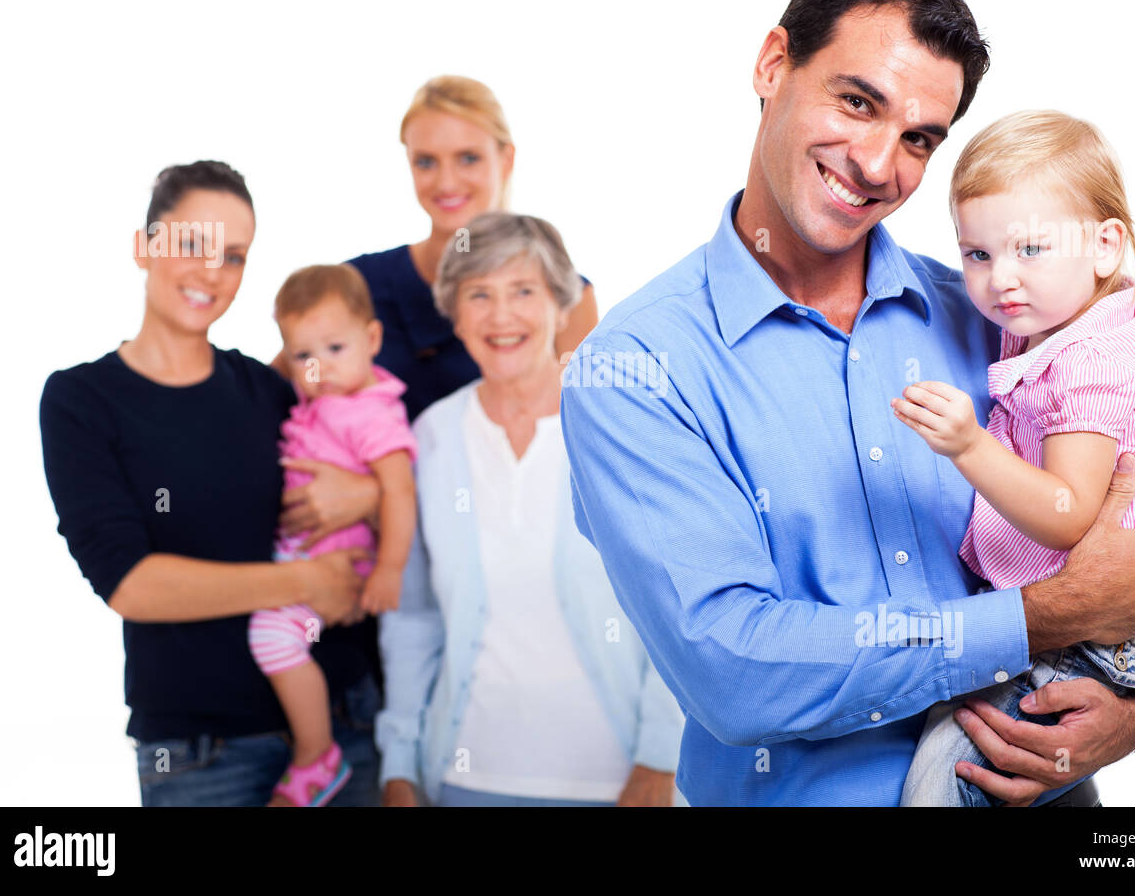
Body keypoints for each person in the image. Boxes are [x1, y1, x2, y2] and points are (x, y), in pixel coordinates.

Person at [560, 0, 1135, 806]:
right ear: (773, 65)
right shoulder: (633, 370)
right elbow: (734, 667)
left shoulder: (998, 318)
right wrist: (1044, 617)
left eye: (918, 138)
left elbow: (1133, 538)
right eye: (857, 102)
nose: (875, 163)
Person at [40, 161, 382, 806]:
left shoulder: (270, 390)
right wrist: (307, 582)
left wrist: (370, 497)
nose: (211, 272)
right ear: (144, 247)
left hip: (345, 726)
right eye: (191, 243)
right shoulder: (82, 400)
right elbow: (133, 585)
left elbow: (370, 472)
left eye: (234, 255)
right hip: (201, 755)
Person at [894, 111, 1135, 805]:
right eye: (978, 254)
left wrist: (969, 446)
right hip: (1047, 622)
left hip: (1079, 641)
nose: (1002, 280)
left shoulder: (1090, 361)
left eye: (1031, 248)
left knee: (939, 782)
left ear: (1105, 246)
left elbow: (1066, 514)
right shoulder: (1045, 325)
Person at [376, 212, 683, 807]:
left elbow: (675, 604)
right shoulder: (432, 435)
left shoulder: (619, 426)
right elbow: (414, 619)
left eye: (523, 291)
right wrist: (399, 766)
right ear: (454, 312)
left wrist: (662, 755)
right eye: (479, 294)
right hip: (463, 780)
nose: (501, 315)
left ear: (560, 304)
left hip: (619, 784)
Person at [249, 264, 418, 806]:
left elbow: (398, 492)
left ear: (373, 339)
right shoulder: (326, 398)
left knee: (271, 637)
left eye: (335, 348)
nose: (318, 367)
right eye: (303, 356)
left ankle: (315, 754)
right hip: (305, 554)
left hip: (342, 563)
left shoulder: (370, 415)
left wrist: (390, 568)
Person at [344, 75, 599, 421]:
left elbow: (588, 423)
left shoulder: (565, 295)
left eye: (468, 158)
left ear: (506, 159)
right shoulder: (356, 285)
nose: (447, 182)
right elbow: (288, 383)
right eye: (426, 162)